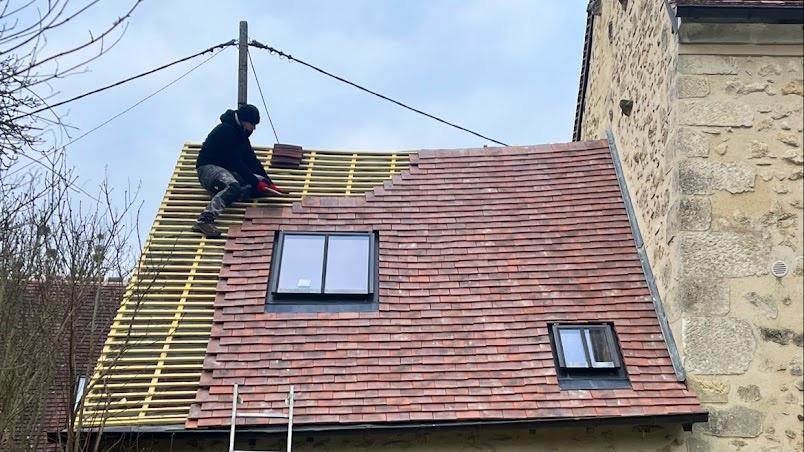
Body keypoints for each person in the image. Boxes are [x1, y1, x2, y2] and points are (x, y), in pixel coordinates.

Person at [192, 104, 287, 238]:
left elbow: (251, 160)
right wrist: (255, 182)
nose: (254, 128)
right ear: (244, 120)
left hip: (227, 169)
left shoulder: (241, 134)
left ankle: (232, 195)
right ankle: (204, 220)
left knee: (260, 183)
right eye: (252, 124)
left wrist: (268, 183)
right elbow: (236, 163)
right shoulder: (226, 131)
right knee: (233, 186)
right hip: (208, 169)